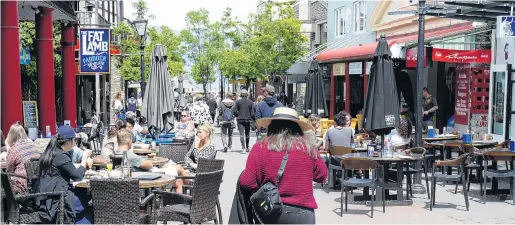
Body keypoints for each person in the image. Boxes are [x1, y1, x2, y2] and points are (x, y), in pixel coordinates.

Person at [240, 107, 328, 223]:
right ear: (298, 128)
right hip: (302, 213)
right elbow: (322, 176)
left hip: (270, 210)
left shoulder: (260, 147)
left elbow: (247, 182)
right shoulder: (308, 147)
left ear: (271, 126)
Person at [35, 125, 94, 224]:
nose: (75, 143)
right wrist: (84, 157)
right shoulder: (61, 155)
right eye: (74, 140)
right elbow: (78, 176)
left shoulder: (50, 152)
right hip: (57, 201)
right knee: (89, 197)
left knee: (84, 197)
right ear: (68, 142)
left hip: (45, 199)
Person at [116, 129, 189, 193]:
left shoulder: (115, 154)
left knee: (176, 168)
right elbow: (149, 165)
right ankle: (184, 201)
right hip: (150, 177)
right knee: (179, 180)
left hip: (138, 179)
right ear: (129, 141)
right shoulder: (129, 155)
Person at [5, 123, 40, 194]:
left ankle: (7, 204)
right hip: (37, 182)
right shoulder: (33, 144)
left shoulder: (14, 149)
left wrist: (7, 145)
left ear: (11, 135)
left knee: (4, 179)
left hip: (21, 184)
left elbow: (9, 169)